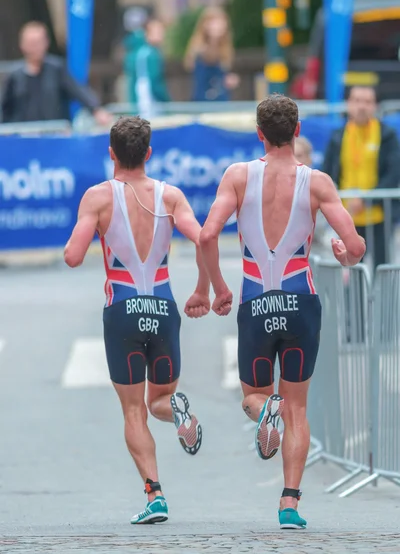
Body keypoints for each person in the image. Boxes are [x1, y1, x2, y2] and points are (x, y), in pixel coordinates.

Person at [200, 95, 365, 529]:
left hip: (257, 300)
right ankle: (290, 503)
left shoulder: (237, 177)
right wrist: (342, 255)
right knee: (298, 410)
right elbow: (358, 248)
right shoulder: (318, 182)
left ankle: (265, 409)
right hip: (300, 300)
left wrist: (217, 287)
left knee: (254, 397)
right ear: (297, 132)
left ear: (258, 134)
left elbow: (207, 235)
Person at [64, 115, 210, 524]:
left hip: (124, 310)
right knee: (160, 398)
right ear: (148, 154)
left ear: (111, 154)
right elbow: (204, 240)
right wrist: (205, 287)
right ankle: (177, 409)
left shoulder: (98, 197)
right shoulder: (170, 196)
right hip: (163, 308)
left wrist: (82, 236)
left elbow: (73, 257)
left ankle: (155, 495)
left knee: (133, 412)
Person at [323, 86, 400, 268]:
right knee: (352, 270)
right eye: (357, 101)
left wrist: (365, 201)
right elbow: (328, 172)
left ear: (375, 106)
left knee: (382, 269)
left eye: (367, 101)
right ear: (348, 104)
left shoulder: (387, 135)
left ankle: (380, 298)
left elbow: (393, 173)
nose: (361, 106)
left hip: (379, 215)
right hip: (346, 217)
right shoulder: (337, 136)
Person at [1, 21, 112, 125]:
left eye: (38, 42)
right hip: (22, 137)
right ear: (22, 44)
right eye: (31, 43)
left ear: (46, 43)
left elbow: (78, 91)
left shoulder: (57, 69)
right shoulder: (15, 75)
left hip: (54, 135)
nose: (35, 48)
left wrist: (96, 110)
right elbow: (4, 107)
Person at [184, 7, 239, 102]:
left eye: (221, 22)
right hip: (203, 103)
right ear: (205, 25)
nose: (219, 26)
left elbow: (218, 76)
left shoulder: (224, 48)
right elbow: (204, 62)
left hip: (221, 102)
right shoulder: (199, 48)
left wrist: (227, 79)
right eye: (214, 23)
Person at [124, 19, 170, 118]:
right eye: (158, 31)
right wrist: (166, 101)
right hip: (149, 104)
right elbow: (153, 82)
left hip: (140, 103)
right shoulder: (149, 54)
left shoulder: (137, 52)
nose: (161, 35)